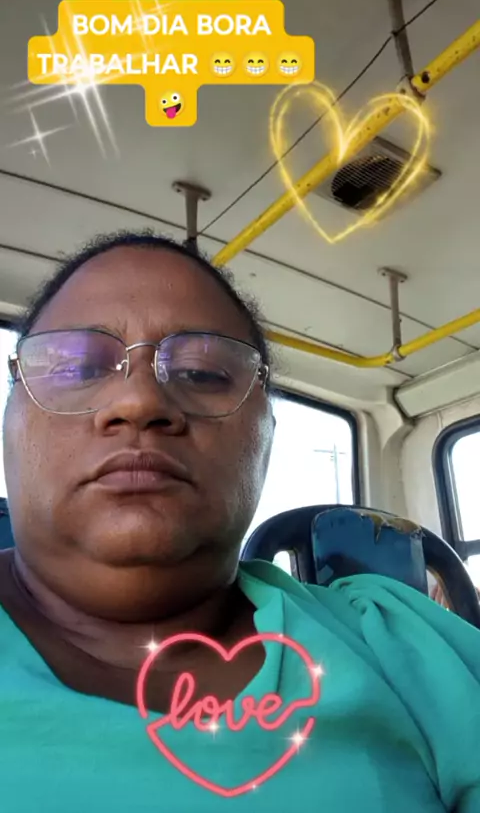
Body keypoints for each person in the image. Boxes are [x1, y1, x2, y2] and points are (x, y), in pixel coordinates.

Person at [1, 232, 479, 813]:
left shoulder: (400, 641)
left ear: (267, 434)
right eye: (77, 367)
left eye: (201, 373)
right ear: (10, 416)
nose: (139, 402)